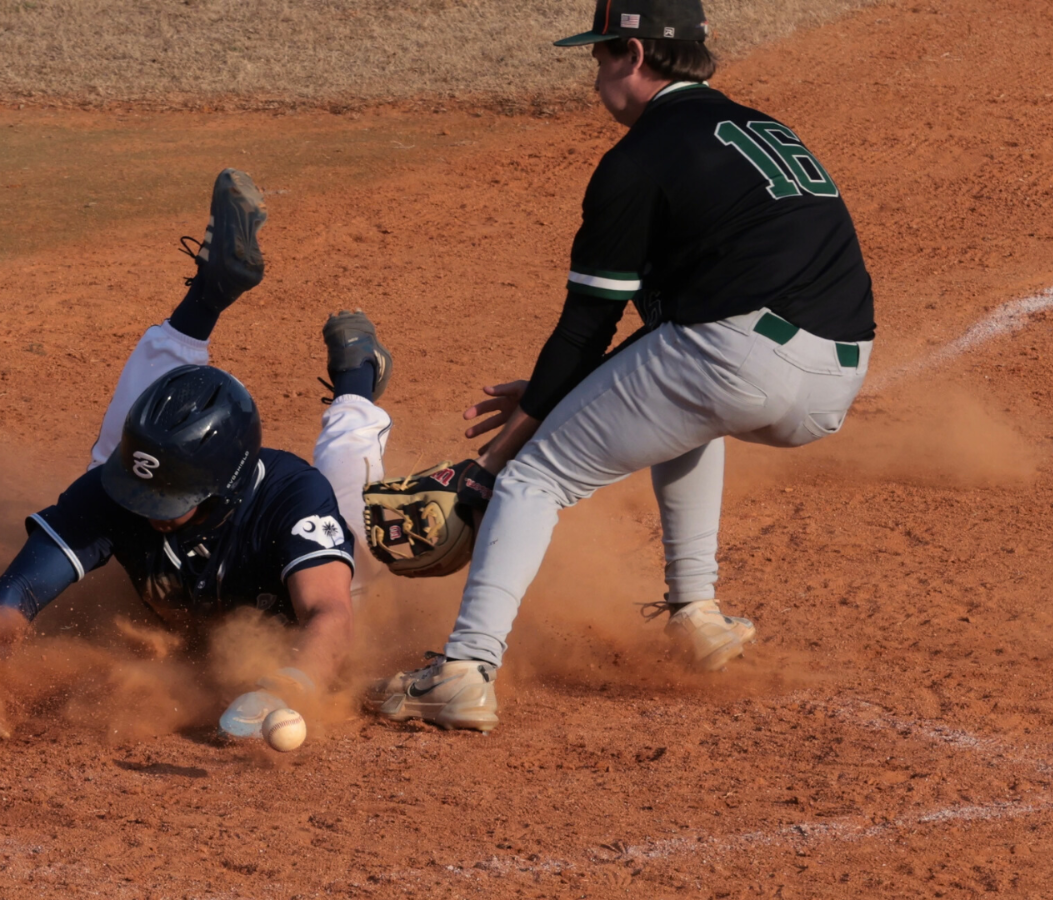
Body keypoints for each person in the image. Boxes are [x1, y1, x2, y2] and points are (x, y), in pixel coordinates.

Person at [368, 0, 877, 731]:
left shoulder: (636, 160)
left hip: (735, 359)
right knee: (683, 403)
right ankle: (696, 615)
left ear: (635, 56)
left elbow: (589, 323)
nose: (595, 74)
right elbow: (658, 347)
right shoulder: (760, 127)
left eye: (601, 54)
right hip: (836, 376)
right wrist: (564, 393)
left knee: (536, 475)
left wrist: (493, 459)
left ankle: (464, 670)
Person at [0, 169, 394, 740]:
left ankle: (357, 381)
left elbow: (328, 615)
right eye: (143, 489)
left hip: (306, 620)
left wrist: (296, 682)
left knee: (356, 502)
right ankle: (209, 293)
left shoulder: (292, 499)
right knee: (107, 456)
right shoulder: (120, 486)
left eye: (170, 499)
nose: (149, 508)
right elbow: (17, 592)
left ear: (228, 486)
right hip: (198, 592)